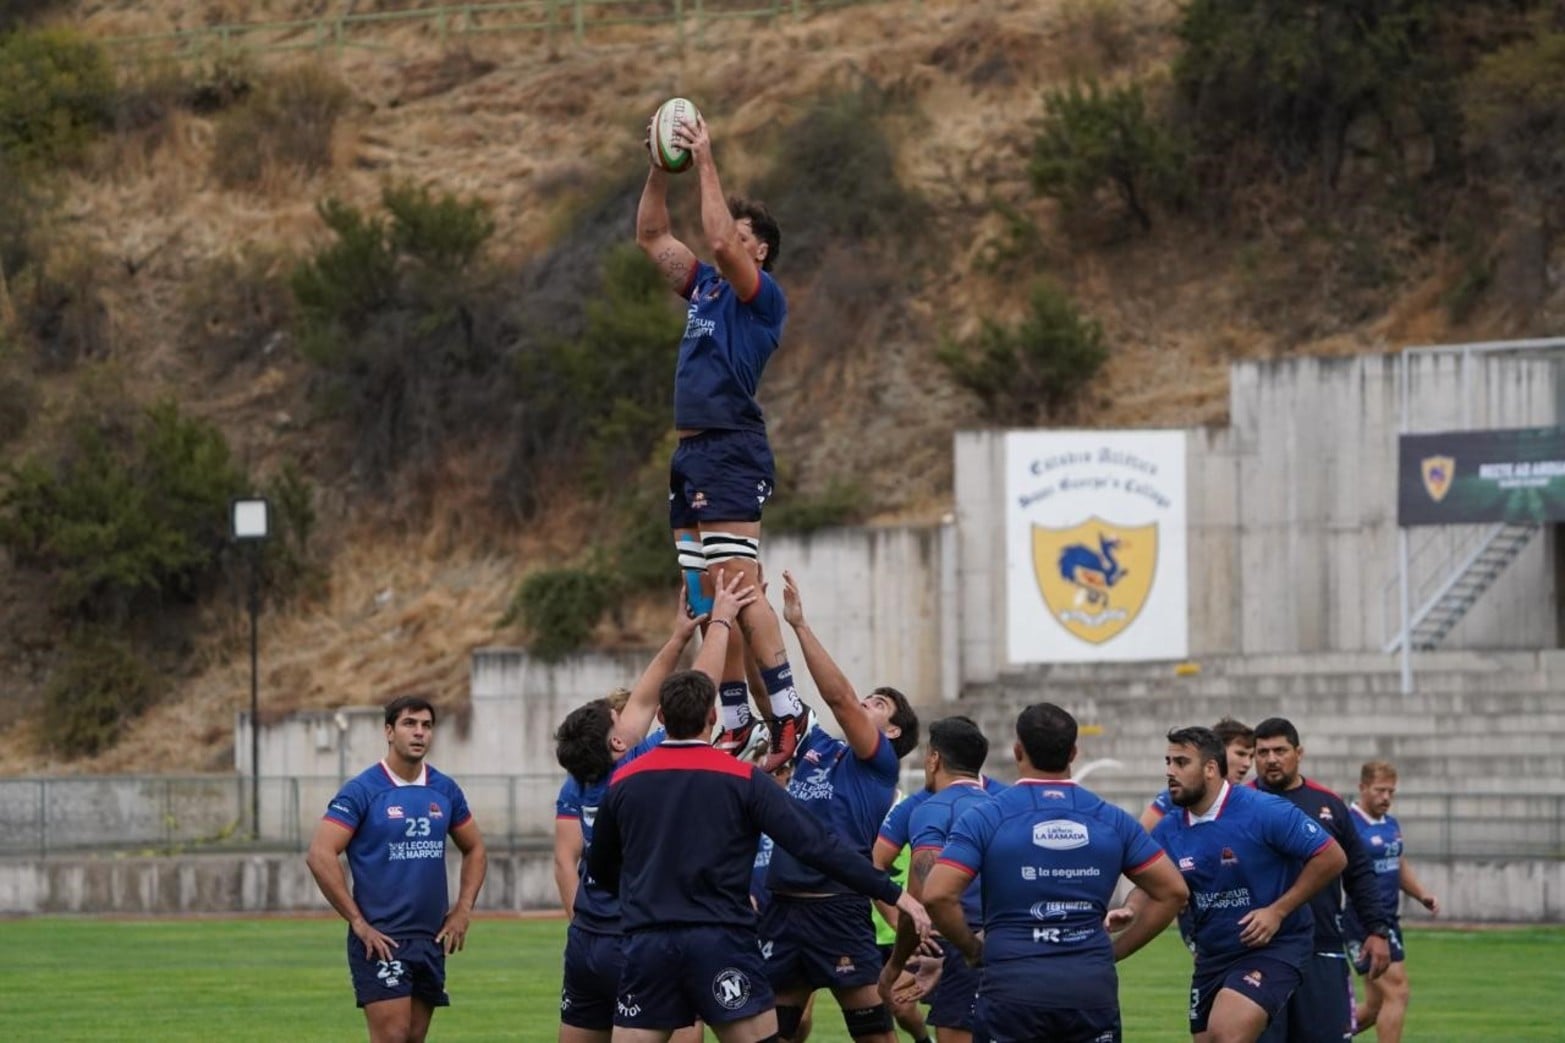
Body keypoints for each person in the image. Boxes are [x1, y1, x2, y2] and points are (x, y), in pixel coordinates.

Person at [586, 667, 933, 1043]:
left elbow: (600, 867)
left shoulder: (624, 780)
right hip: (719, 939)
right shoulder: (743, 779)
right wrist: (892, 892)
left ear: (661, 717)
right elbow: (816, 845)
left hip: (649, 941)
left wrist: (645, 897)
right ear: (712, 716)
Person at [634, 103, 806, 771]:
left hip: (731, 445)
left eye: (740, 232)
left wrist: (704, 157)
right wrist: (659, 166)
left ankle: (788, 708)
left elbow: (720, 242)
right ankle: (735, 715)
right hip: (692, 452)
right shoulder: (705, 288)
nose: (725, 237)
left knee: (738, 583)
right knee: (708, 598)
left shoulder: (761, 296)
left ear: (758, 250)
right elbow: (652, 234)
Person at [553, 573, 755, 1043]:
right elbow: (697, 691)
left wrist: (680, 635)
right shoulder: (638, 768)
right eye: (618, 719)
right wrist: (721, 621)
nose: (628, 715)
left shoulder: (580, 778)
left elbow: (644, 698)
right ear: (617, 743)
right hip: (639, 938)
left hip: (587, 940)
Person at [919, 703, 1187, 1043]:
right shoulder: (1110, 819)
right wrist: (1113, 952)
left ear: (1018, 751)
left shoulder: (987, 818)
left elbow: (937, 894)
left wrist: (972, 949)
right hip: (1090, 990)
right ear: (1074, 752)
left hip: (1012, 989)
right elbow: (1173, 891)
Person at [763, 571, 923, 1043]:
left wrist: (800, 625)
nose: (865, 702)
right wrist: (754, 616)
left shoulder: (878, 762)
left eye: (879, 704)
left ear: (892, 732)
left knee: (873, 1033)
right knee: (780, 1032)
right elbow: (770, 693)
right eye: (869, 698)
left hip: (835, 908)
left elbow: (839, 698)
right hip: (783, 907)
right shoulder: (818, 747)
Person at [1131, 725, 1347, 1043]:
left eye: (1181, 762)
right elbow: (1152, 885)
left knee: (1228, 1035)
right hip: (1213, 954)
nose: (1170, 771)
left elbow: (1332, 856)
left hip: (1273, 947)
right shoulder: (1168, 829)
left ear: (1210, 769)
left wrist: (1277, 911)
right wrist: (1128, 910)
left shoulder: (1264, 810)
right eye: (1168, 762)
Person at [305, 694, 488, 1043]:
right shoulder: (363, 790)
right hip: (382, 939)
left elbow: (476, 848)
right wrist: (358, 922)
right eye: (409, 724)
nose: (419, 732)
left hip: (430, 939)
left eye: (426, 726)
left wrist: (463, 910)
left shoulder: (444, 790)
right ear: (389, 731)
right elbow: (320, 853)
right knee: (393, 1036)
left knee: (413, 1038)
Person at [1251, 718, 1393, 1043]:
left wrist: (1377, 929)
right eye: (1263, 752)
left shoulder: (1328, 804)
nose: (1271, 759)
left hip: (1322, 945)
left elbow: (1359, 871)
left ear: (1298, 753)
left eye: (1280, 751)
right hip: (1260, 951)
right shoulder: (1241, 804)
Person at [878, 716, 998, 1043]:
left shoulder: (931, 809)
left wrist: (895, 965)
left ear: (934, 759)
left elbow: (921, 897)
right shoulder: (1006, 806)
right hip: (1014, 943)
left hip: (963, 946)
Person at [1345, 761, 1439, 1043]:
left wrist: (1421, 894)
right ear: (1363, 787)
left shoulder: (1390, 824)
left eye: (1391, 792)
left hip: (1388, 920)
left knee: (1376, 1006)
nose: (1386, 797)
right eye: (1379, 790)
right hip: (1361, 921)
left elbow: (1397, 864)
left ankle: (1318, 1036)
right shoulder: (1348, 824)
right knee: (1398, 991)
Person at [1141, 717, 1256, 832]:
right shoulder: (1176, 795)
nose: (1248, 763)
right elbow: (1141, 835)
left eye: (1251, 756)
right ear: (1219, 752)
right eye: (1240, 754)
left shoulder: (1252, 801)